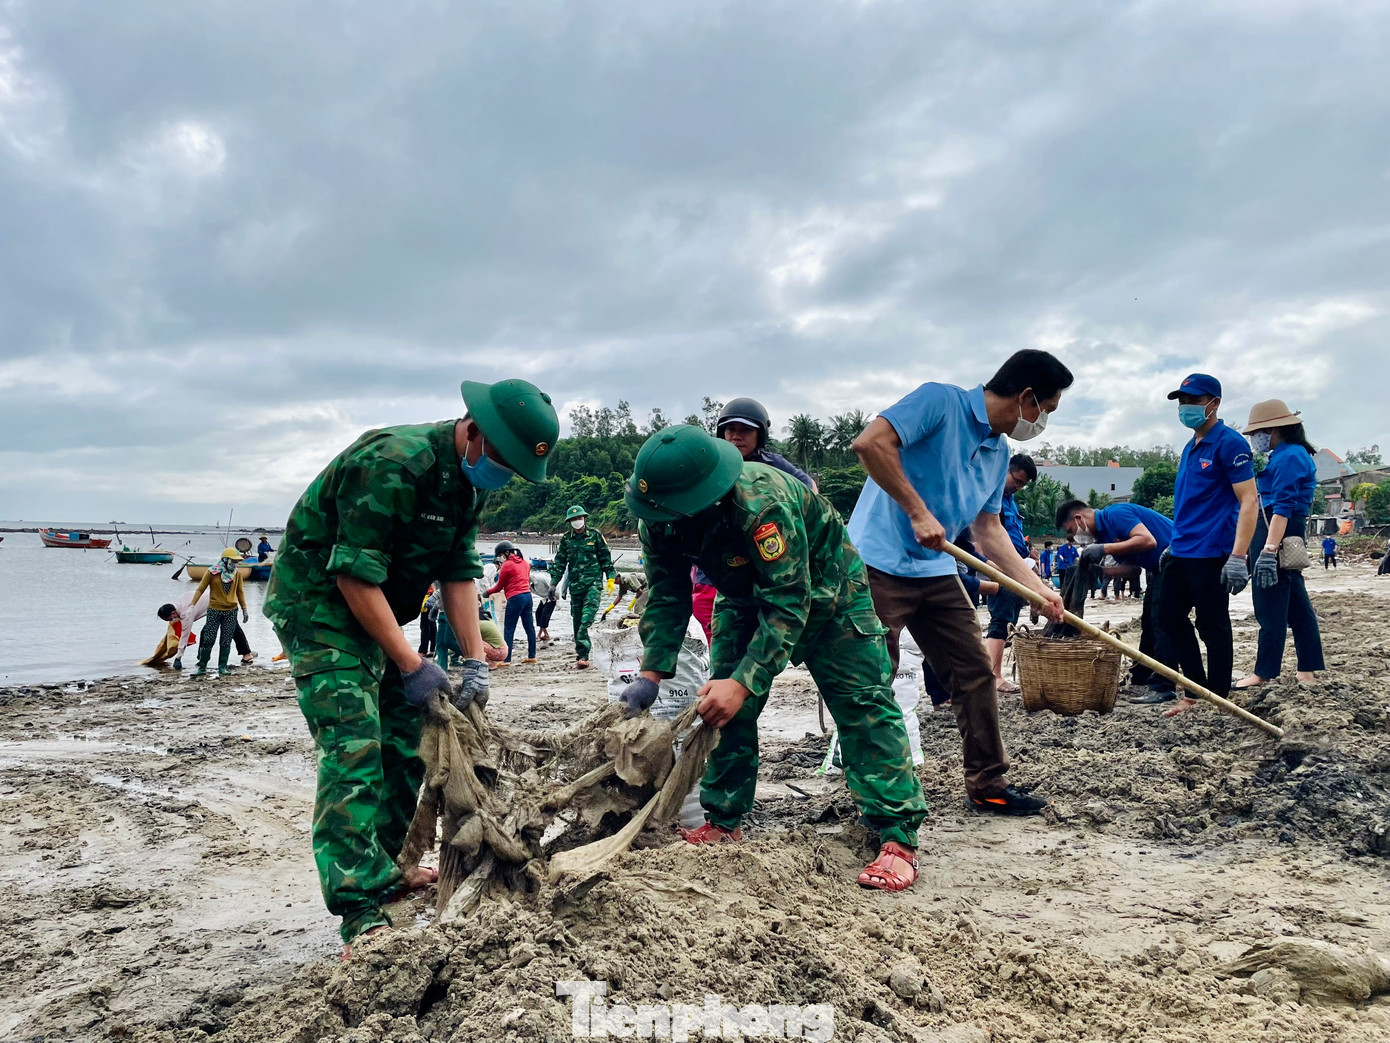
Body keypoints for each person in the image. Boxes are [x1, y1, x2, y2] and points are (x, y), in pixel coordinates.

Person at [263, 376, 559, 953]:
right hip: (319, 607)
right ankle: (358, 907)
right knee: (355, 746)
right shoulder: (394, 463)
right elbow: (352, 575)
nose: (501, 474)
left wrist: (474, 661)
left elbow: (457, 574)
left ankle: (392, 867)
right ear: (471, 432)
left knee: (403, 742)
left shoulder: (467, 488)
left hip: (372, 613)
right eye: (500, 459)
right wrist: (410, 661)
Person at [622, 425, 928, 890]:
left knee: (864, 707)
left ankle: (897, 835)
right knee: (720, 709)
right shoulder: (659, 515)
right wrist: (650, 675)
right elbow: (667, 595)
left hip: (831, 595)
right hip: (742, 601)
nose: (666, 522)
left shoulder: (763, 502)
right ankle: (724, 821)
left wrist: (745, 682)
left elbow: (790, 602)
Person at [848, 349, 1069, 815]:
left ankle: (988, 784)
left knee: (973, 674)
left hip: (935, 571)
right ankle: (877, 794)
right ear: (1026, 397)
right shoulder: (939, 402)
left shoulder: (999, 451)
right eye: (1044, 410)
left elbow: (989, 530)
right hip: (876, 564)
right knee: (873, 678)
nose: (1042, 420)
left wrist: (1038, 587)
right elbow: (870, 444)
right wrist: (917, 510)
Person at [1158, 373, 1258, 718]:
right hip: (1182, 549)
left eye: (1194, 401)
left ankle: (1219, 697)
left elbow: (1249, 501)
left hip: (1212, 552)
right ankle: (1196, 690)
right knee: (1168, 617)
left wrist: (1238, 555)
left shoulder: (1230, 444)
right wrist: (1173, 543)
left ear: (1213, 403)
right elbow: (1190, 502)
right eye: (1182, 401)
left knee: (1212, 625)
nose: (1186, 407)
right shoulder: (1191, 446)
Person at [1235, 400, 1325, 688]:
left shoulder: (1289, 457)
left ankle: (1263, 672)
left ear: (1273, 429)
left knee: (1269, 601)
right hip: (1280, 527)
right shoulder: (1289, 454)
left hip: (1278, 528)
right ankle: (1307, 670)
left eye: (1256, 433)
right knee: (1297, 604)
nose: (1254, 439)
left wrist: (1269, 549)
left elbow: (1283, 507)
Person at [1056, 499, 1176, 703]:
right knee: (1148, 622)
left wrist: (1105, 549)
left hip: (1177, 559)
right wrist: (1100, 571)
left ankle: (1165, 685)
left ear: (1079, 518)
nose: (1075, 537)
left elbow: (1148, 540)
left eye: (1072, 530)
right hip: (1158, 569)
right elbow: (1133, 570)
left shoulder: (1116, 514)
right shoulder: (1105, 535)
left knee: (1162, 623)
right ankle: (1143, 675)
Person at [985, 454, 1036, 694]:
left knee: (1010, 620)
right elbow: (984, 535)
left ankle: (994, 674)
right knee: (1001, 619)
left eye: (1023, 485)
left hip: (1018, 566)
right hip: (1000, 567)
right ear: (1006, 470)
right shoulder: (990, 495)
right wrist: (992, 565)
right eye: (1017, 480)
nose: (1019, 487)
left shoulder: (1011, 500)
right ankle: (993, 676)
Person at [550, 506, 617, 669]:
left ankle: (584, 655)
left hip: (592, 585)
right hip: (575, 587)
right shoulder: (566, 539)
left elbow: (605, 559)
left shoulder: (595, 536)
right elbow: (559, 562)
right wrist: (553, 583)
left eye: (578, 518)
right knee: (577, 621)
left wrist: (611, 578)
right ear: (569, 522)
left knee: (586, 621)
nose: (576, 521)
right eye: (573, 520)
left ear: (585, 518)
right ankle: (582, 656)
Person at [716, 397, 815, 488]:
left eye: (746, 430)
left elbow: (809, 484)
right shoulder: (715, 464)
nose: (736, 436)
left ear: (760, 435)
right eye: (730, 429)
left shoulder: (773, 463)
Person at [155, 590, 256, 669]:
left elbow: (184, 635)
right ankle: (202, 659)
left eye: (169, 619)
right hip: (215, 601)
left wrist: (178, 658)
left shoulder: (186, 613)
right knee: (205, 632)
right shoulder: (180, 601)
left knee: (233, 628)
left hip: (222, 603)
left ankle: (246, 655)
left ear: (173, 613)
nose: (171, 621)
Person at [189, 549, 250, 677]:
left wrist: (244, 609)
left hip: (231, 611)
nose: (236, 564)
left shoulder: (237, 574)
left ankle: (222, 667)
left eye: (237, 561)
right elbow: (200, 589)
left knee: (226, 640)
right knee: (208, 639)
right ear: (226, 560)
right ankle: (202, 667)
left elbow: (240, 592)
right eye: (233, 561)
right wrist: (192, 605)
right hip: (214, 610)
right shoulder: (212, 572)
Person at [486, 541, 537, 664]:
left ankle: (506, 659)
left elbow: (499, 586)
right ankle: (532, 656)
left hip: (515, 598)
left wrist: (487, 592)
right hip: (527, 597)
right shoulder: (525, 563)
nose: (500, 558)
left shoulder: (507, 565)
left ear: (506, 552)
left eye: (501, 555)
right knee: (529, 627)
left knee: (509, 629)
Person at [531, 564, 557, 643]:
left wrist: (558, 600)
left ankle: (539, 634)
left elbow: (553, 586)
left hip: (552, 598)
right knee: (538, 614)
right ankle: (546, 634)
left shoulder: (541, 579)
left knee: (544, 616)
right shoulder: (529, 586)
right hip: (544, 599)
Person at [417, 586, 438, 657]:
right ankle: (433, 649)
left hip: (427, 597)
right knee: (432, 625)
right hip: (433, 596)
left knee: (425, 626)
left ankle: (423, 650)